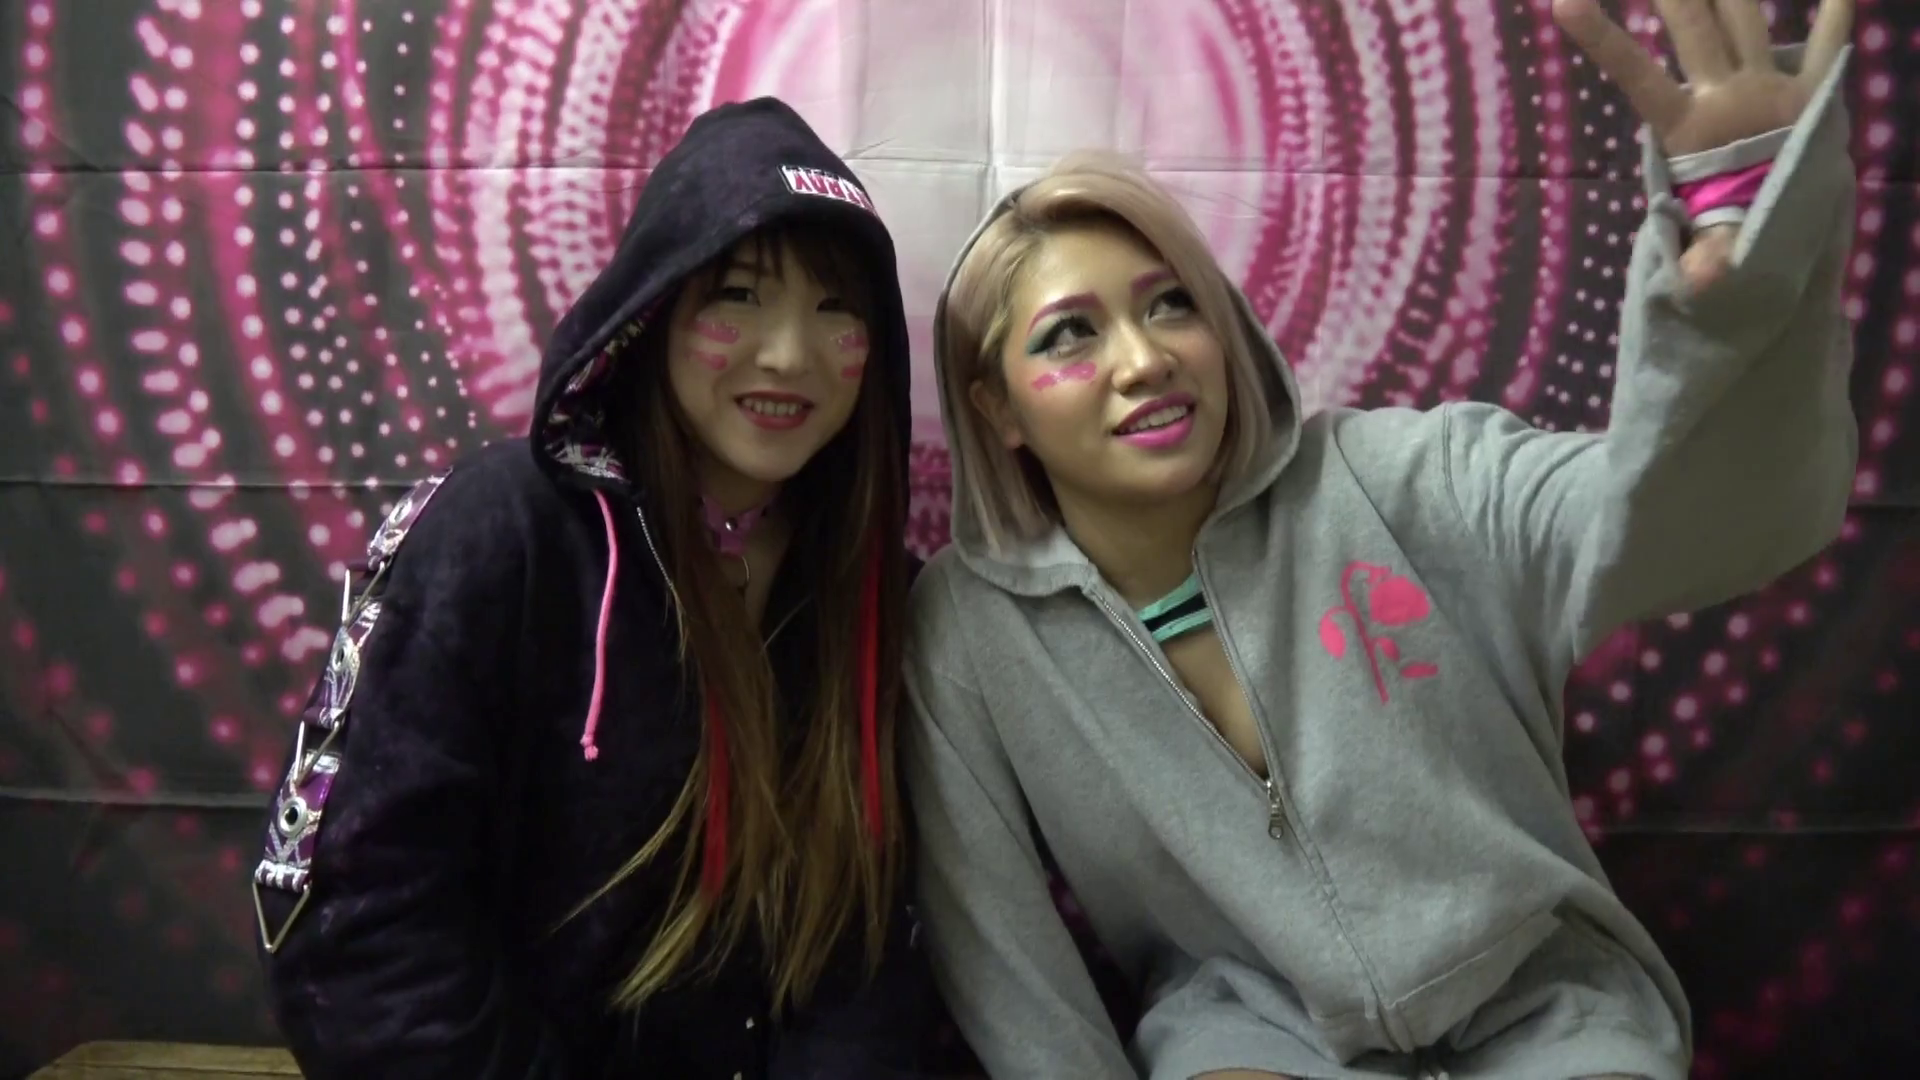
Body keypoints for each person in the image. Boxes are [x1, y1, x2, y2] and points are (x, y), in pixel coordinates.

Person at [902, 1, 1857, 1077]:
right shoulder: (968, 632)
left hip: (1544, 1010)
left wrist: (1738, 242)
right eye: (1070, 334)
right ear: (997, 407)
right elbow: (1004, 961)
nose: (1144, 360)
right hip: (1245, 1032)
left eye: (1171, 306)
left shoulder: (1409, 478)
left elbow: (1692, 520)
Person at [250, 97, 936, 1079]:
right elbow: (359, 927)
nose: (789, 352)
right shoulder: (498, 534)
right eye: (739, 294)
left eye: (837, 308)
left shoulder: (878, 597)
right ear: (651, 314)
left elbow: (871, 957)